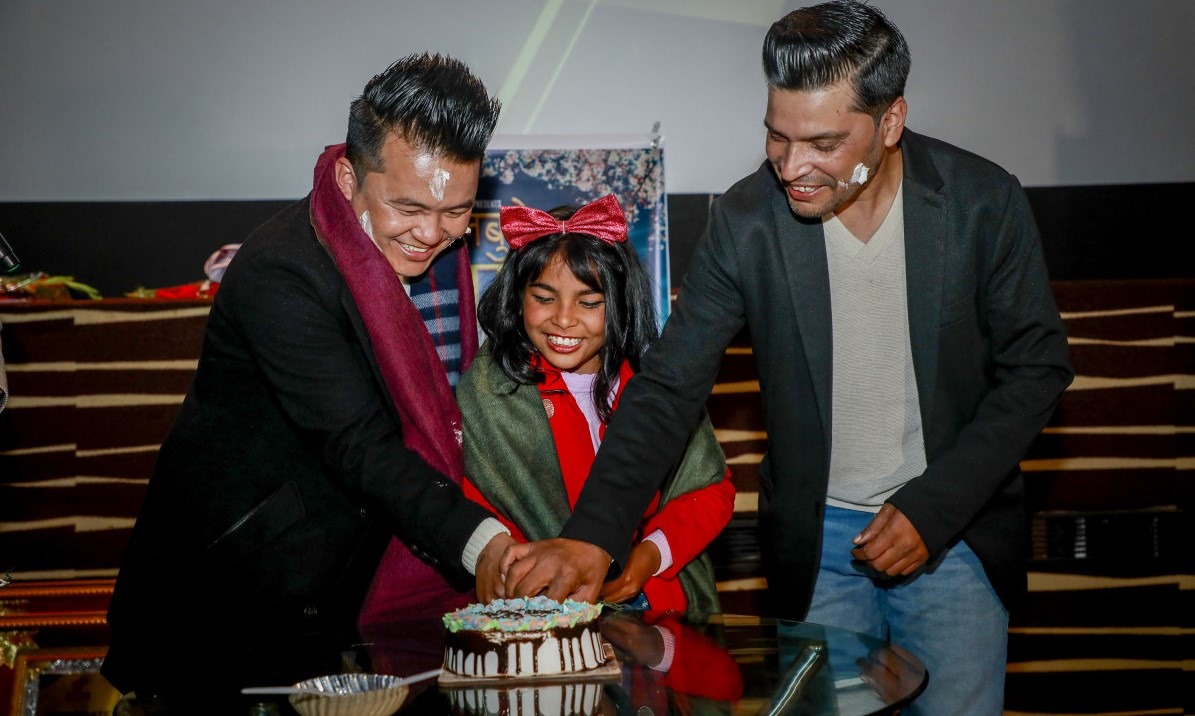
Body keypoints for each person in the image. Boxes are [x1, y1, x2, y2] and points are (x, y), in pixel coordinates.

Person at [501, 2, 1073, 714]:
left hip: (953, 532)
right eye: (777, 136)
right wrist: (592, 536)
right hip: (818, 543)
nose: (792, 167)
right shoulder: (748, 220)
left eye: (824, 144)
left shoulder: (980, 202)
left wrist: (935, 507)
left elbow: (1036, 369)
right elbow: (669, 385)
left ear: (889, 122)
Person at [102, 53, 514, 711]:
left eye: (456, 211)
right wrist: (484, 544)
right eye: (409, 206)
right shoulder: (281, 273)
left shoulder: (426, 256)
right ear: (350, 177)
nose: (432, 233)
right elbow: (357, 443)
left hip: (324, 602)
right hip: (223, 609)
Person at [457, 195, 733, 615]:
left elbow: (710, 490)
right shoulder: (491, 393)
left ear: (620, 303)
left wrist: (647, 557)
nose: (564, 319)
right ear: (517, 298)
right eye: (544, 298)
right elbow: (479, 504)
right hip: (540, 613)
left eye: (589, 303)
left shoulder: (656, 386)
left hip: (655, 603)